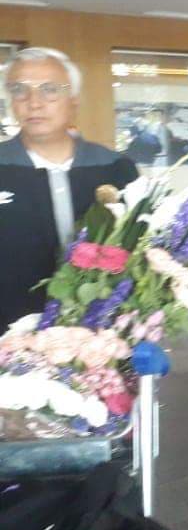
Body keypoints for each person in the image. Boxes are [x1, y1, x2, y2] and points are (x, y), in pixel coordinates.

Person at [0, 47, 138, 331]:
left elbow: (139, 252)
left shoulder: (116, 168)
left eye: (49, 89)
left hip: (101, 336)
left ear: (73, 99)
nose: (33, 103)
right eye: (19, 90)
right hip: (10, 338)